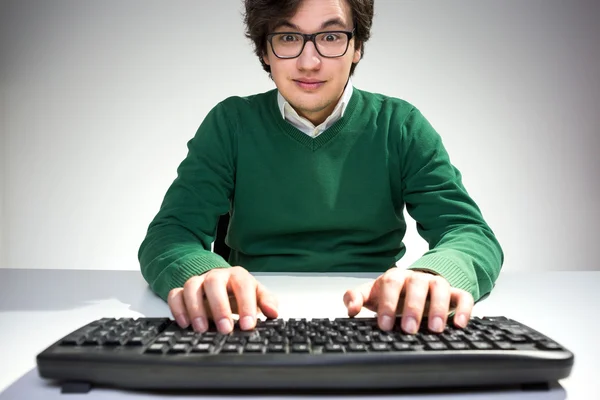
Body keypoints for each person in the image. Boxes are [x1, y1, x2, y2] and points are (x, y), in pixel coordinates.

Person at [138, 0, 504, 336]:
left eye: (330, 37)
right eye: (287, 37)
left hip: (377, 318)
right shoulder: (230, 123)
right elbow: (171, 234)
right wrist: (205, 275)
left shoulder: (400, 125)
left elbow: (468, 232)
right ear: (265, 50)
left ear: (357, 46)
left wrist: (432, 276)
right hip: (249, 319)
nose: (309, 62)